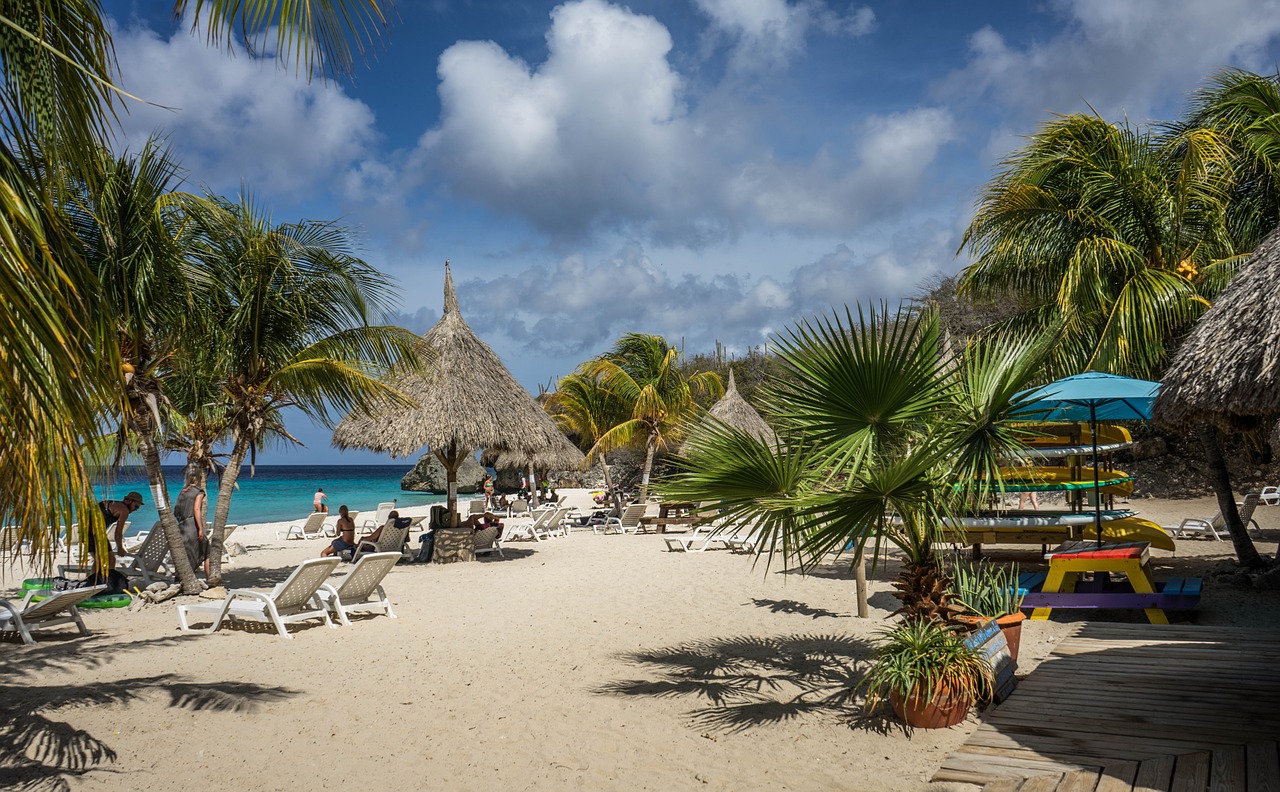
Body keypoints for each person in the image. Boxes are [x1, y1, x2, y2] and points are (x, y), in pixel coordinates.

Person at [92, 491, 144, 570]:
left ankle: (97, 579)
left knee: (104, 560)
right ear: (129, 501)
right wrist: (120, 548)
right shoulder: (124, 510)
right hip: (94, 534)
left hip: (91, 532)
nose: (135, 510)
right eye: (136, 506)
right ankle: (101, 580)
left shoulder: (112, 503)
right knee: (108, 560)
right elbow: (118, 533)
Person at [174, 470, 208, 577]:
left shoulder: (183, 491)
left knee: (186, 554)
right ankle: (210, 578)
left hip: (182, 526)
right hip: (192, 525)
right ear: (199, 478)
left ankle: (181, 578)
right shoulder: (199, 491)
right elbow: (197, 509)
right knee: (207, 552)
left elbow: (176, 511)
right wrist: (201, 529)